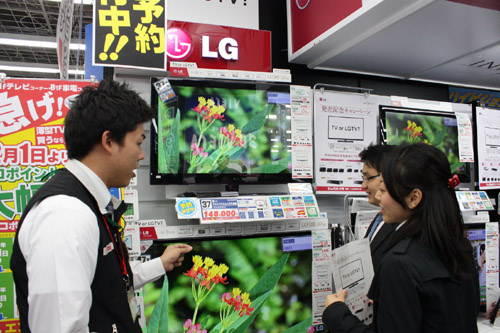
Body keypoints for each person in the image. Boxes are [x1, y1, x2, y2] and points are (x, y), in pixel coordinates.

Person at [10, 80, 193, 333]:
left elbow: (107, 282)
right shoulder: (65, 215)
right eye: (138, 142)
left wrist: (160, 263)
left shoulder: (91, 202)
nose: (141, 156)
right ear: (108, 141)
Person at [323, 143, 479, 332]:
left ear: (414, 198)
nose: (379, 197)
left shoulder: (400, 264)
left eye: (385, 190)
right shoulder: (460, 247)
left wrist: (337, 314)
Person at [359, 144, 397, 271]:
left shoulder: (401, 222)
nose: (363, 186)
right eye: (363, 178)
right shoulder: (381, 216)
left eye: (368, 178)